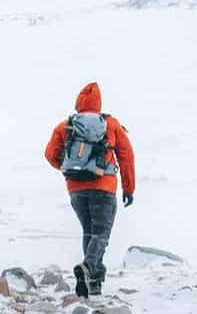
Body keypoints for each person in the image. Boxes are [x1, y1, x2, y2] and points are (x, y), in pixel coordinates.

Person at [44, 82, 136, 297]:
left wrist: (71, 171)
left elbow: (50, 154)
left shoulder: (65, 126)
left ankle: (93, 284)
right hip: (104, 187)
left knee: (89, 232)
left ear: (79, 103)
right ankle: (88, 268)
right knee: (101, 234)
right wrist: (128, 188)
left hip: (76, 190)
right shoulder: (111, 124)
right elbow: (126, 157)